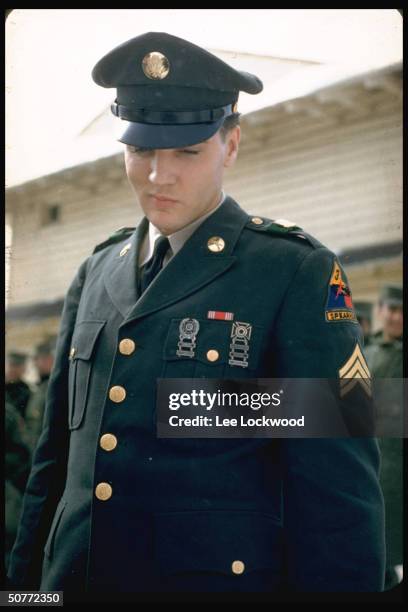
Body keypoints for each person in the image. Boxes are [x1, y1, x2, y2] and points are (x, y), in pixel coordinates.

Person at [8, 32, 385, 594]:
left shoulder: (294, 272)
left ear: (230, 145)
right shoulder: (95, 272)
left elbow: (340, 493)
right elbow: (53, 467)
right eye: (141, 151)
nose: (160, 176)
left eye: (187, 151)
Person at [365, 284, 403, 590]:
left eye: (402, 311)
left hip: (395, 459)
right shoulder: (366, 349)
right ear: (380, 311)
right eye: (391, 309)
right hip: (366, 450)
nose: (396, 317)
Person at [25, 337, 57, 452]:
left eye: (37, 359)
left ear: (50, 359)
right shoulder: (42, 387)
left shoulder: (54, 387)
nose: (34, 364)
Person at [5, 351, 32, 420]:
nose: (13, 370)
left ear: (24, 369)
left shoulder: (26, 391)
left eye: (17, 366)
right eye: (11, 365)